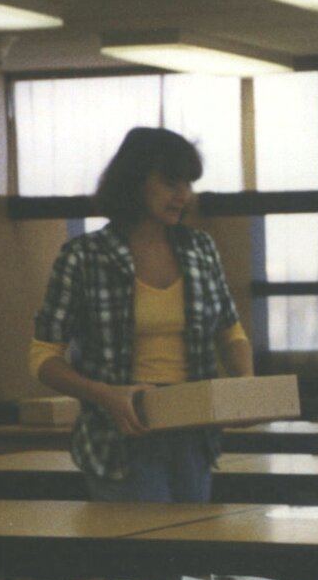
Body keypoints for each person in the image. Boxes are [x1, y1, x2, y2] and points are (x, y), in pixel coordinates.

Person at [30, 126, 254, 501]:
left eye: (188, 183)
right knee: (143, 555)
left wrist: (245, 382)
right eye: (170, 182)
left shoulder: (201, 249)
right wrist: (105, 395)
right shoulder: (84, 256)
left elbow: (230, 331)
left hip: (193, 432)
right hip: (120, 435)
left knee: (190, 549)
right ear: (134, 181)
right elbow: (42, 357)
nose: (184, 195)